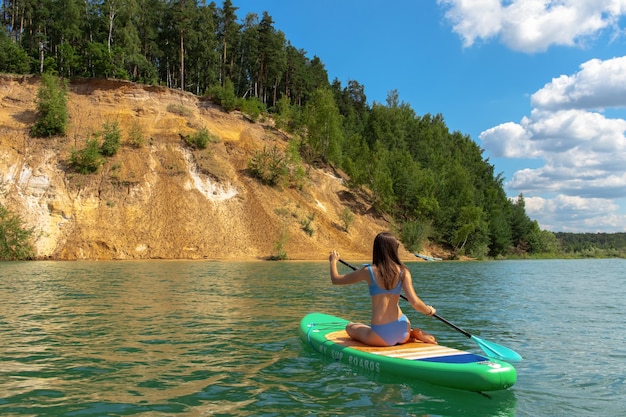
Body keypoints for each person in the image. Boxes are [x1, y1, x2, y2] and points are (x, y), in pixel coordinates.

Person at [328, 232, 437, 347]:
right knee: (397, 330)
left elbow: (336, 280)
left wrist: (333, 261)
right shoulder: (403, 271)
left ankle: (411, 334)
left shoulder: (368, 271)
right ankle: (412, 334)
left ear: (377, 250)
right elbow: (414, 302)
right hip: (403, 328)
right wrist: (429, 311)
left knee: (350, 327)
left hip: (381, 335)